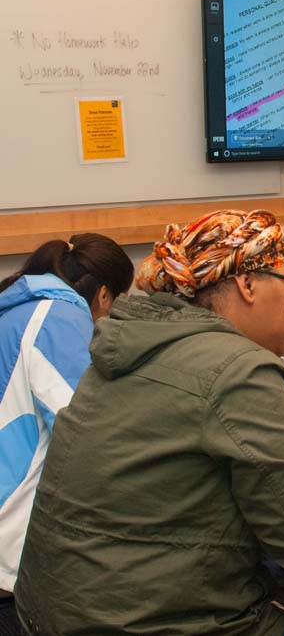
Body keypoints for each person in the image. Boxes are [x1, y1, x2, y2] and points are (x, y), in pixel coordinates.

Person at [15, 210, 284, 635]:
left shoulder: (125, 343)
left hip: (48, 611)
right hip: (145, 623)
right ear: (246, 284)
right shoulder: (241, 368)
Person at [0, 233, 133, 596]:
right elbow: (87, 433)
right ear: (104, 295)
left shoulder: (19, 308)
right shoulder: (57, 319)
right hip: (13, 538)